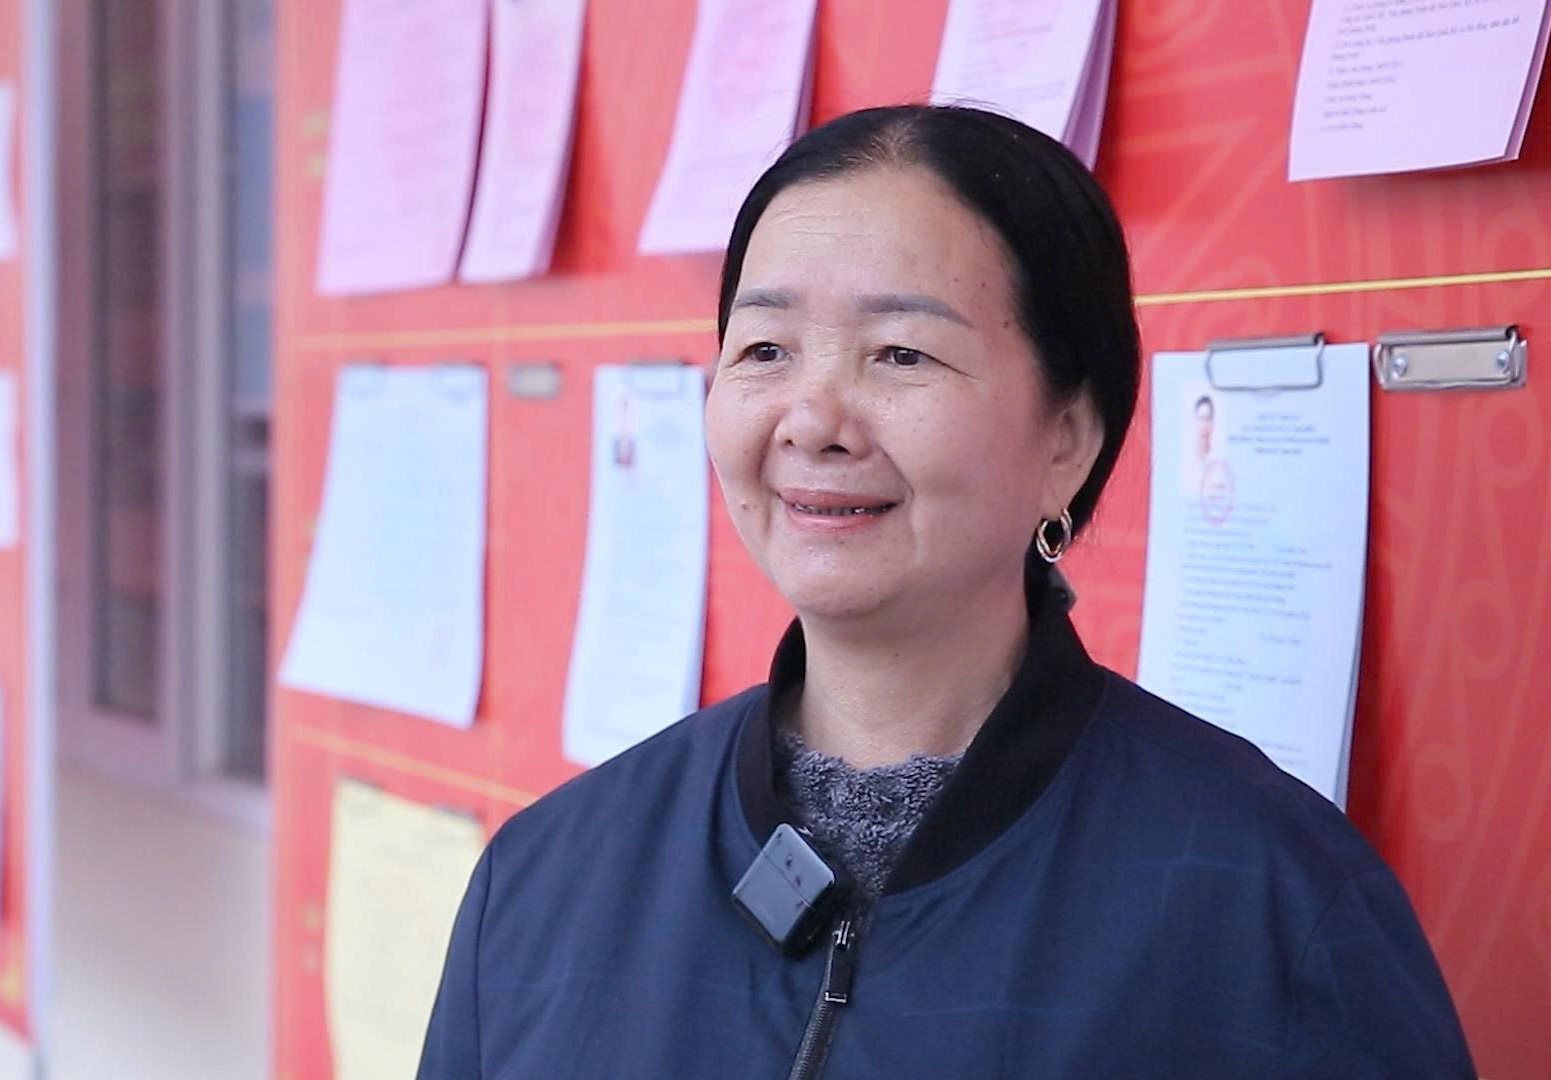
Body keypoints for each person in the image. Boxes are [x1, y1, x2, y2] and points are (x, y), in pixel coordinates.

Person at [418, 106, 1474, 1079]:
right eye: (766, 347)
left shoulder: (1272, 906)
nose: (813, 419)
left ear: (1067, 438)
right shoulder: (545, 880)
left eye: (901, 353)